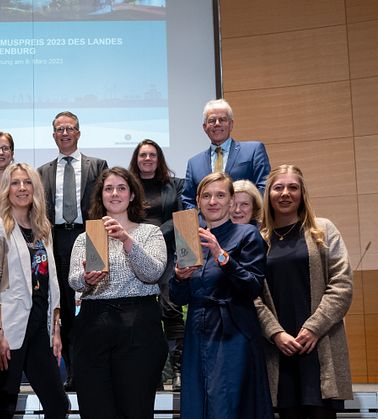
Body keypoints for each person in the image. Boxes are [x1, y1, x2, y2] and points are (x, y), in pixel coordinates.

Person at [170, 172, 273, 418]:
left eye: (220, 195)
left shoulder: (247, 234)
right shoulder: (188, 237)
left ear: (231, 201)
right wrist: (179, 277)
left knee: (228, 405)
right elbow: (178, 297)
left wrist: (221, 255)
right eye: (206, 196)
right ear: (198, 200)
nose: (213, 201)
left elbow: (252, 287)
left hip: (233, 331)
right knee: (197, 404)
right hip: (197, 330)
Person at [68, 167, 167, 418]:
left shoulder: (150, 232)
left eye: (121, 188)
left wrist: (126, 239)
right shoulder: (86, 236)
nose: (115, 194)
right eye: (108, 188)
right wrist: (87, 279)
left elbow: (152, 273)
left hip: (140, 326)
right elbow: (74, 280)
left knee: (136, 408)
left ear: (132, 195)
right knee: (95, 409)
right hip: (93, 325)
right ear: (100, 195)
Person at [255, 164, 353, 419]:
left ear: (302, 193)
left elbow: (342, 284)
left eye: (293, 187)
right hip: (280, 350)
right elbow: (251, 295)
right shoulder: (257, 239)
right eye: (278, 187)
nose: (285, 193)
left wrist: (313, 328)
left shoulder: (323, 230)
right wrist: (275, 334)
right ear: (268, 194)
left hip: (319, 347)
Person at [0, 163, 69, 418]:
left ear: (35, 188)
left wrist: (56, 330)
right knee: (4, 405)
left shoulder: (43, 228)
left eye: (27, 182)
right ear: (7, 188)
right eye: (16, 183)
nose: (22, 188)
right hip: (7, 328)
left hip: (40, 326)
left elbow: (51, 283)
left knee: (58, 404)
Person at [37, 111, 108, 390]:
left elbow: (103, 202)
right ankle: (73, 372)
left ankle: (94, 368)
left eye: (70, 128)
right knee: (64, 306)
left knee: (90, 303)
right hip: (56, 240)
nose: (65, 133)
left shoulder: (97, 165)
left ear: (79, 133)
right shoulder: (43, 171)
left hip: (89, 236)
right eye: (59, 129)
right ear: (53, 135)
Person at [129, 139, 185, 390]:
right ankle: (152, 372)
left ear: (159, 158)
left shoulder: (173, 185)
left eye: (152, 155)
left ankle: (178, 368)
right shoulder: (128, 186)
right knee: (142, 315)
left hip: (168, 252)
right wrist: (142, 241)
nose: (148, 159)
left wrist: (155, 236)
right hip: (135, 253)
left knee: (171, 310)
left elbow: (180, 217)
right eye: (143, 155)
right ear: (137, 159)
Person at [181, 98, 271, 209]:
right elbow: (188, 200)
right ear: (205, 127)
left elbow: (264, 186)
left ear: (231, 124)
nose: (217, 124)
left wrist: (247, 213)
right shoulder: (194, 163)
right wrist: (199, 223)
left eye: (222, 119)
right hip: (207, 225)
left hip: (246, 222)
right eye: (212, 120)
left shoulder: (254, 150)